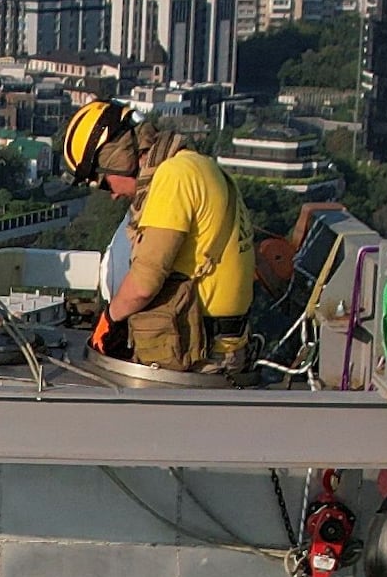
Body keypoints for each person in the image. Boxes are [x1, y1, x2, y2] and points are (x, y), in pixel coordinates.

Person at [62, 99, 256, 376]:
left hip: (198, 359)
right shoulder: (201, 166)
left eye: (104, 183)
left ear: (117, 159)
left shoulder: (173, 176)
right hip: (223, 350)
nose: (113, 195)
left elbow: (144, 283)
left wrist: (109, 320)